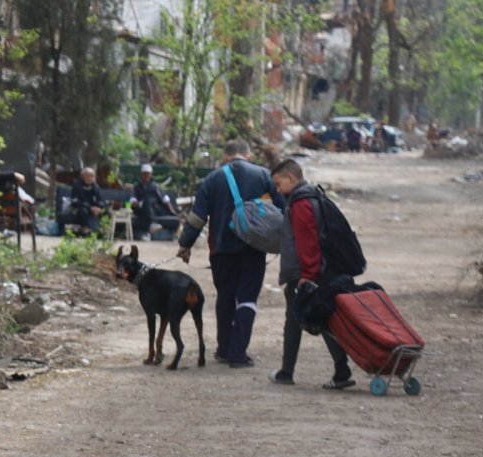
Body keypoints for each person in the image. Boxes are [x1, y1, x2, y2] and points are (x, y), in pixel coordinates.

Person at [175, 139, 282, 367]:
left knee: (225, 297)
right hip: (254, 248)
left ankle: (223, 348)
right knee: (247, 299)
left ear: (226, 157)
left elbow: (197, 218)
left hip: (221, 249)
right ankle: (238, 353)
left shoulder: (212, 179)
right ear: (249, 155)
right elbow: (282, 208)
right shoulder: (264, 175)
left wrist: (186, 244)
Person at [266, 159, 356, 390]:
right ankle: (337, 370)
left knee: (303, 320)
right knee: (316, 319)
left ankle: (291, 372)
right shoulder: (314, 195)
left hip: (306, 273)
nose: (277, 189)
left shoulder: (301, 203)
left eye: (279, 183)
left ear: (291, 178)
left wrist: (308, 274)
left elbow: (307, 242)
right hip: (321, 270)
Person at [129, 163, 178, 241]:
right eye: (144, 174)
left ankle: (150, 227)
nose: (146, 176)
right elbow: (132, 202)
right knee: (146, 202)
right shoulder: (136, 188)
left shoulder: (155, 187)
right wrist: (142, 203)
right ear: (141, 175)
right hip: (140, 210)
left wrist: (173, 212)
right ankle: (151, 225)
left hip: (155, 210)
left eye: (148, 174)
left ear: (151, 175)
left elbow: (165, 200)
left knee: (149, 202)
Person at [64, 166, 107, 235]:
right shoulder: (77, 185)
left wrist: (99, 207)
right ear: (83, 177)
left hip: (93, 208)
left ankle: (103, 229)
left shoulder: (95, 186)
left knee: (106, 210)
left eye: (92, 176)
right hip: (79, 207)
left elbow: (100, 199)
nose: (90, 178)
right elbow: (76, 201)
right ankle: (84, 229)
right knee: (83, 211)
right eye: (88, 176)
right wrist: (90, 207)